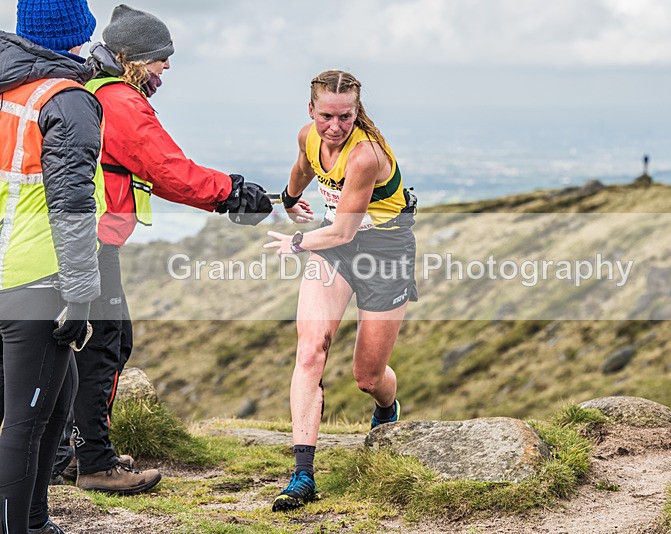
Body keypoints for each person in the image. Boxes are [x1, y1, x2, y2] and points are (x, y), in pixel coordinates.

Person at [53, 4, 288, 495]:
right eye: (161, 58)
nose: (165, 67)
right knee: (104, 346)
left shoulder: (97, 88)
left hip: (76, 241)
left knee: (98, 344)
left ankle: (70, 452)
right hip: (91, 242)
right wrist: (231, 192)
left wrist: (229, 193)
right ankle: (93, 462)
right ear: (132, 57)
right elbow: (168, 169)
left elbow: (151, 171)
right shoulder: (120, 100)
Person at [265, 69, 418, 511]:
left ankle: (387, 410)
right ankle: (302, 475)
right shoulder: (308, 136)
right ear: (311, 110)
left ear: (356, 112)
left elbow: (344, 230)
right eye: (326, 116)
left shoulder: (365, 155)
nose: (334, 127)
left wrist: (297, 241)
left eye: (345, 117)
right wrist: (289, 198)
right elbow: (302, 168)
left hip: (384, 251)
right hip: (334, 248)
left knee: (368, 377)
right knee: (311, 349)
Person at [0, 0, 104, 531]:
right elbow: (72, 206)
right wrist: (81, 294)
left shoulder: (7, 87)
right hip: (35, 280)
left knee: (56, 405)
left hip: (7, 274)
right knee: (24, 422)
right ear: (74, 33)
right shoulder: (65, 100)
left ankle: (36, 522)